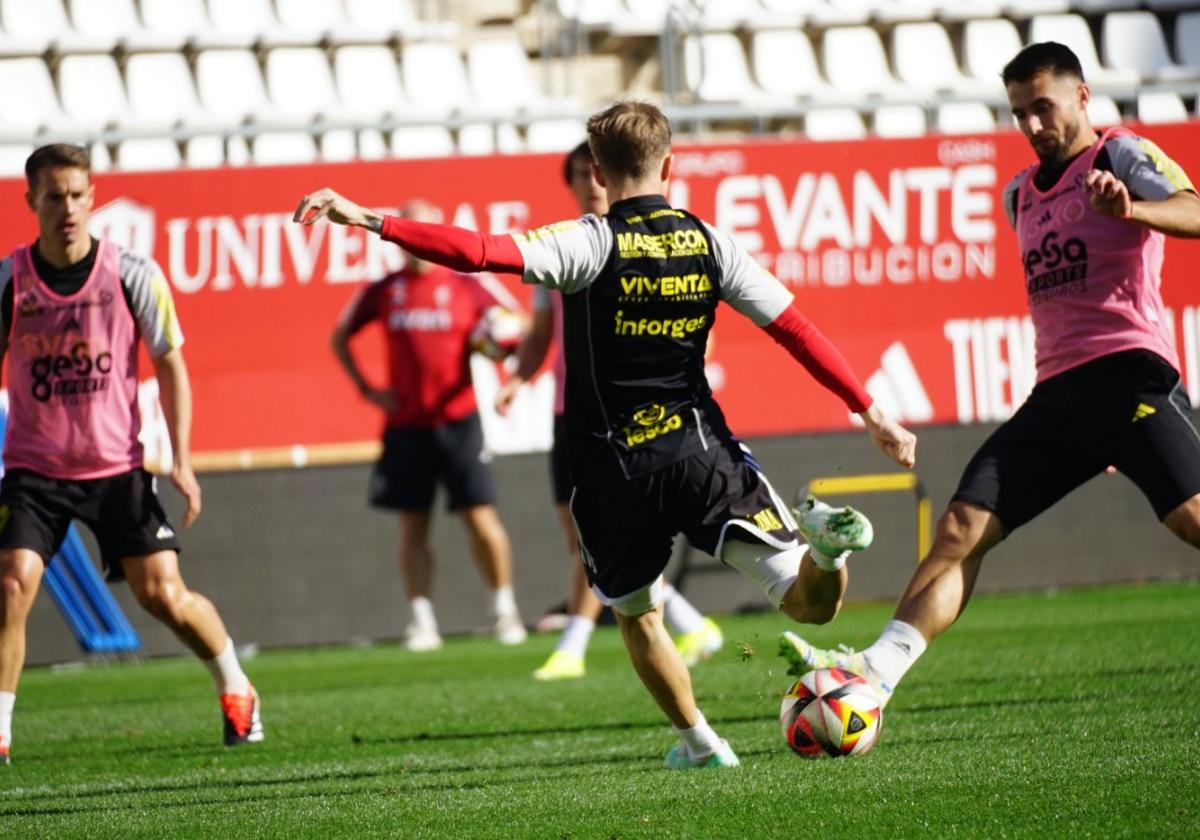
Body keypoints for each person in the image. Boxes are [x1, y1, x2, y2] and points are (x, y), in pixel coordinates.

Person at [294, 100, 916, 769]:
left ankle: (703, 745)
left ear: (597, 168)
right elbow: (794, 328)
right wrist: (868, 408)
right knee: (810, 608)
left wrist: (370, 220)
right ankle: (824, 556)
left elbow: (477, 252)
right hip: (701, 453)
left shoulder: (585, 243)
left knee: (637, 615)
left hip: (612, 470)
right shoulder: (711, 242)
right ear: (671, 165)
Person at [778, 42, 1200, 707]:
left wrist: (1133, 211)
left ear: (1082, 97)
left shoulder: (1118, 154)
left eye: (1044, 108)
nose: (1032, 126)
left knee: (1191, 520)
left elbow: (1195, 210)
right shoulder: (1018, 196)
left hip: (1127, 378)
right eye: (1018, 114)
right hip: (1057, 396)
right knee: (958, 530)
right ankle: (875, 677)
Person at [0, 144, 263, 766]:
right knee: (12, 585)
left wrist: (182, 461)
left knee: (163, 596)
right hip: (35, 469)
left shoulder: (131, 273)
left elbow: (171, 365)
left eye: (77, 194)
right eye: (55, 195)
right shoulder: (11, 280)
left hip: (118, 467)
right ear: (31, 200)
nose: (67, 207)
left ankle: (237, 685)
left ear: (92, 197)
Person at [494, 142, 723, 681]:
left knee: (601, 536)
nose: (590, 183)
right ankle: (693, 625)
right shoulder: (562, 247)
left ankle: (573, 644)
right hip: (572, 413)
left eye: (593, 172)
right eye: (578, 174)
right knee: (585, 536)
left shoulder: (652, 242)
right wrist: (517, 380)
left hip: (639, 416)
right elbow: (543, 333)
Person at [331, 199, 527, 653]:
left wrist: (495, 347)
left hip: (458, 421)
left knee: (480, 517)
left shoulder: (466, 283)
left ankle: (504, 609)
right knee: (413, 526)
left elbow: (513, 326)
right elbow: (340, 337)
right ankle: (421, 620)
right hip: (406, 425)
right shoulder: (384, 289)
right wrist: (368, 388)